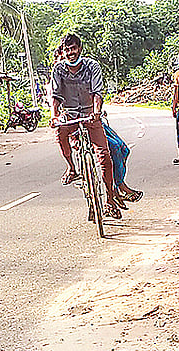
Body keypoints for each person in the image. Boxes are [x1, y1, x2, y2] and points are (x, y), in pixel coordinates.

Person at [50, 34, 122, 219]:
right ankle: (72, 168)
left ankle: (110, 198)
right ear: (63, 51)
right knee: (60, 134)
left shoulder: (92, 66)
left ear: (79, 48)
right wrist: (54, 116)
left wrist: (96, 111)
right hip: (70, 114)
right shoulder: (58, 69)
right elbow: (56, 96)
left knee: (104, 155)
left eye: (73, 48)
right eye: (66, 50)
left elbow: (97, 92)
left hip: (91, 113)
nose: (70, 53)